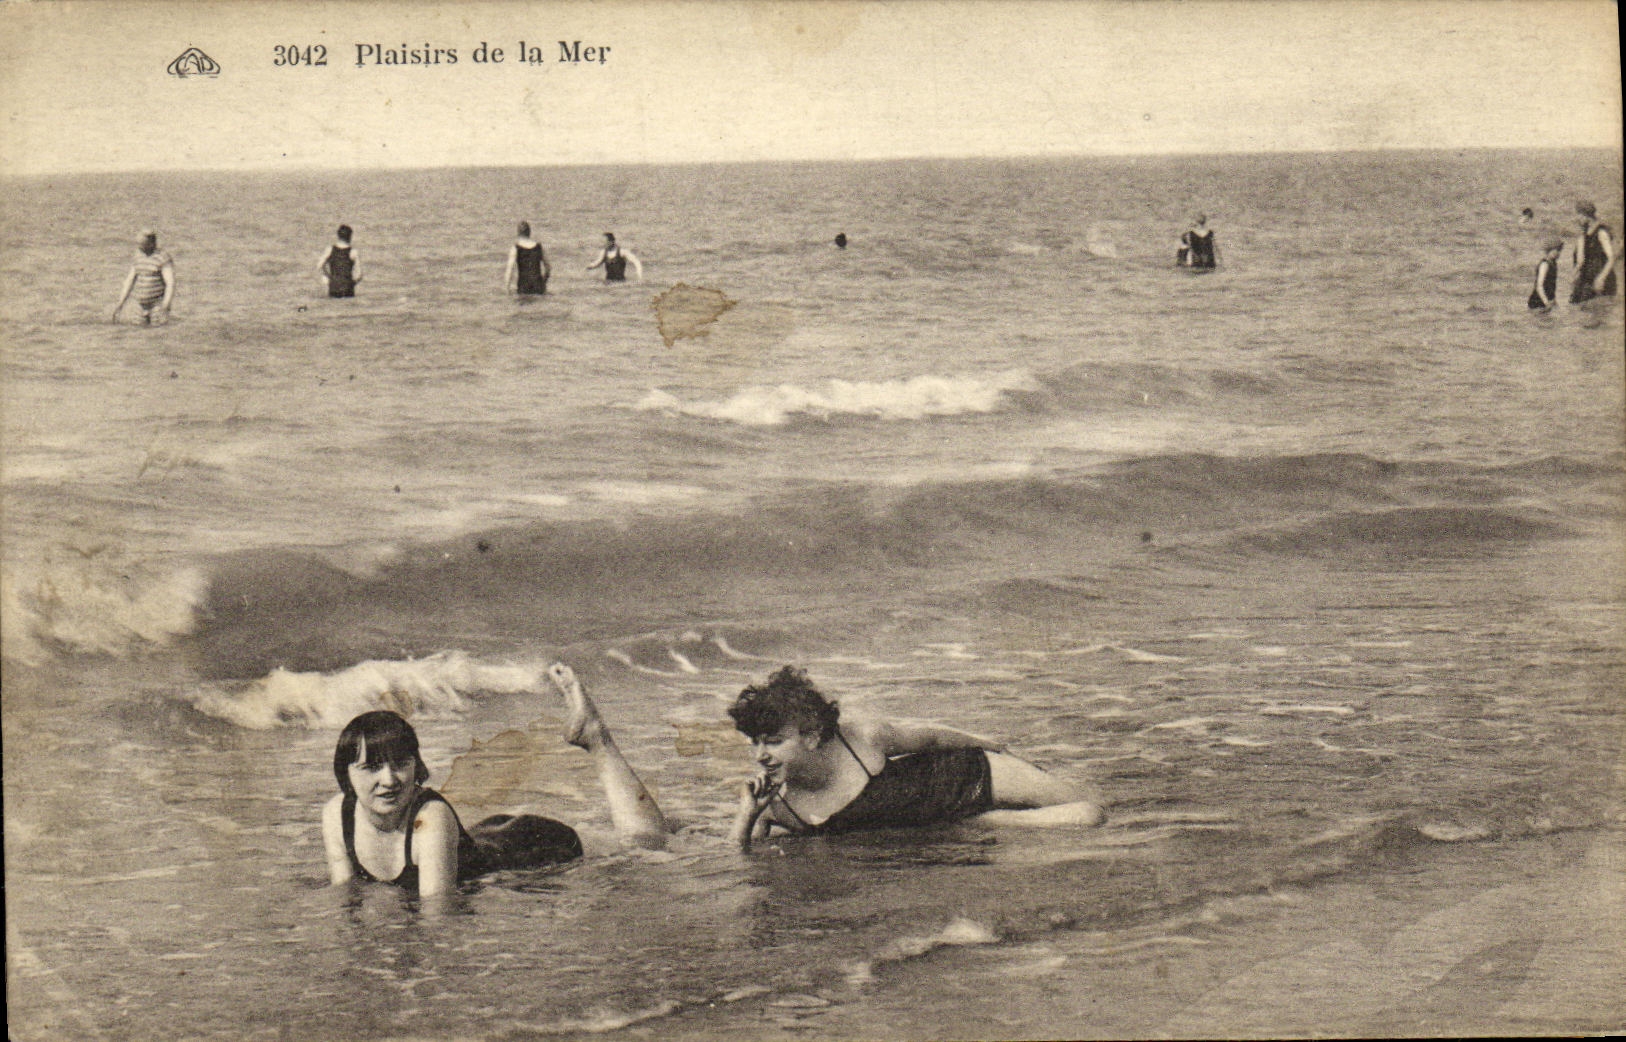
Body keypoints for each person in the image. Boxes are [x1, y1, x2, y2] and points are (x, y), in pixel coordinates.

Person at [322, 663, 668, 898]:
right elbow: (347, 897)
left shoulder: (430, 819)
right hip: (486, 836)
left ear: (418, 766)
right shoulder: (337, 816)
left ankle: (597, 737)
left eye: (401, 763)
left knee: (644, 847)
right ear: (346, 777)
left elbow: (437, 918)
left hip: (531, 848)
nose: (389, 779)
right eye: (371, 768)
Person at [728, 666, 1103, 850]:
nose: (761, 754)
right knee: (1082, 819)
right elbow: (738, 864)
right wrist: (747, 814)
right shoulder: (779, 806)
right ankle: (986, 821)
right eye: (755, 742)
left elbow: (932, 737)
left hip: (967, 774)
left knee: (1091, 811)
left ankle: (985, 817)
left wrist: (995, 747)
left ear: (810, 736)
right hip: (946, 827)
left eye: (774, 742)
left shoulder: (862, 740)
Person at [111, 229, 175, 324]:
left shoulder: (163, 257)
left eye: (143, 245)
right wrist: (120, 303)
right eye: (139, 244)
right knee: (139, 333)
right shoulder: (137, 256)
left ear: (152, 243)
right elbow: (130, 281)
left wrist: (166, 305)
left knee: (158, 331)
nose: (140, 247)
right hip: (139, 305)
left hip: (157, 304)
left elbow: (170, 283)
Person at [1570, 201, 1617, 304]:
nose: (1577, 218)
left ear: (1587, 215)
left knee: (1597, 311)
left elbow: (1611, 258)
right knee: (1577, 305)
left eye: (1579, 215)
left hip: (1601, 276)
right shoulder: (1584, 232)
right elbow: (1580, 260)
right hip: (1587, 277)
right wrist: (1574, 274)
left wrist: (1601, 278)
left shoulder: (1601, 232)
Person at [504, 221, 551, 296]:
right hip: (538, 287)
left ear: (518, 233)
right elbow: (548, 268)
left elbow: (510, 270)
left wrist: (507, 290)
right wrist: (544, 282)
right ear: (530, 233)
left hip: (524, 287)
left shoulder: (516, 248)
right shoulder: (539, 247)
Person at [317, 225, 361, 298]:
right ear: (350, 237)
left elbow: (319, 266)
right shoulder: (353, 252)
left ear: (338, 236)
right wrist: (352, 283)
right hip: (348, 289)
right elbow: (359, 275)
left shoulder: (330, 250)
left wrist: (328, 276)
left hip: (334, 287)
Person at [1528, 237, 1564, 311]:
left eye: (1560, 250)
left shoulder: (1553, 263)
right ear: (1549, 250)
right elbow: (1539, 286)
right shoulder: (1545, 264)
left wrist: (1553, 301)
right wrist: (1546, 302)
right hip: (1538, 300)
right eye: (1557, 250)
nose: (1559, 253)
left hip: (1546, 300)